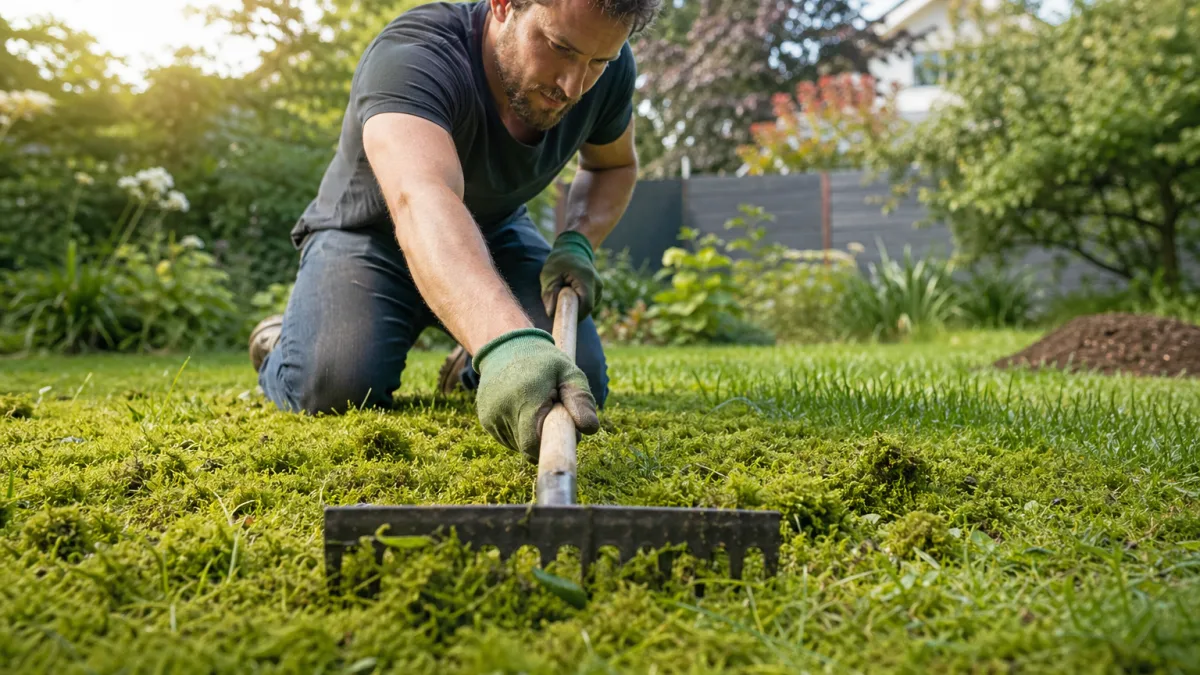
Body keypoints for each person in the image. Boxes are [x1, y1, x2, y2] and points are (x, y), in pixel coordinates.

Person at [247, 0, 661, 460]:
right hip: (365, 236)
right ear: (503, 4)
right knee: (334, 385)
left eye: (597, 62)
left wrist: (579, 239)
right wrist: (508, 341)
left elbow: (612, 166)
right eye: (560, 47)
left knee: (574, 377)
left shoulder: (609, 67)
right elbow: (422, 198)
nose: (573, 85)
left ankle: (472, 357)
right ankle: (285, 343)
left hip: (495, 232)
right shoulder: (413, 56)